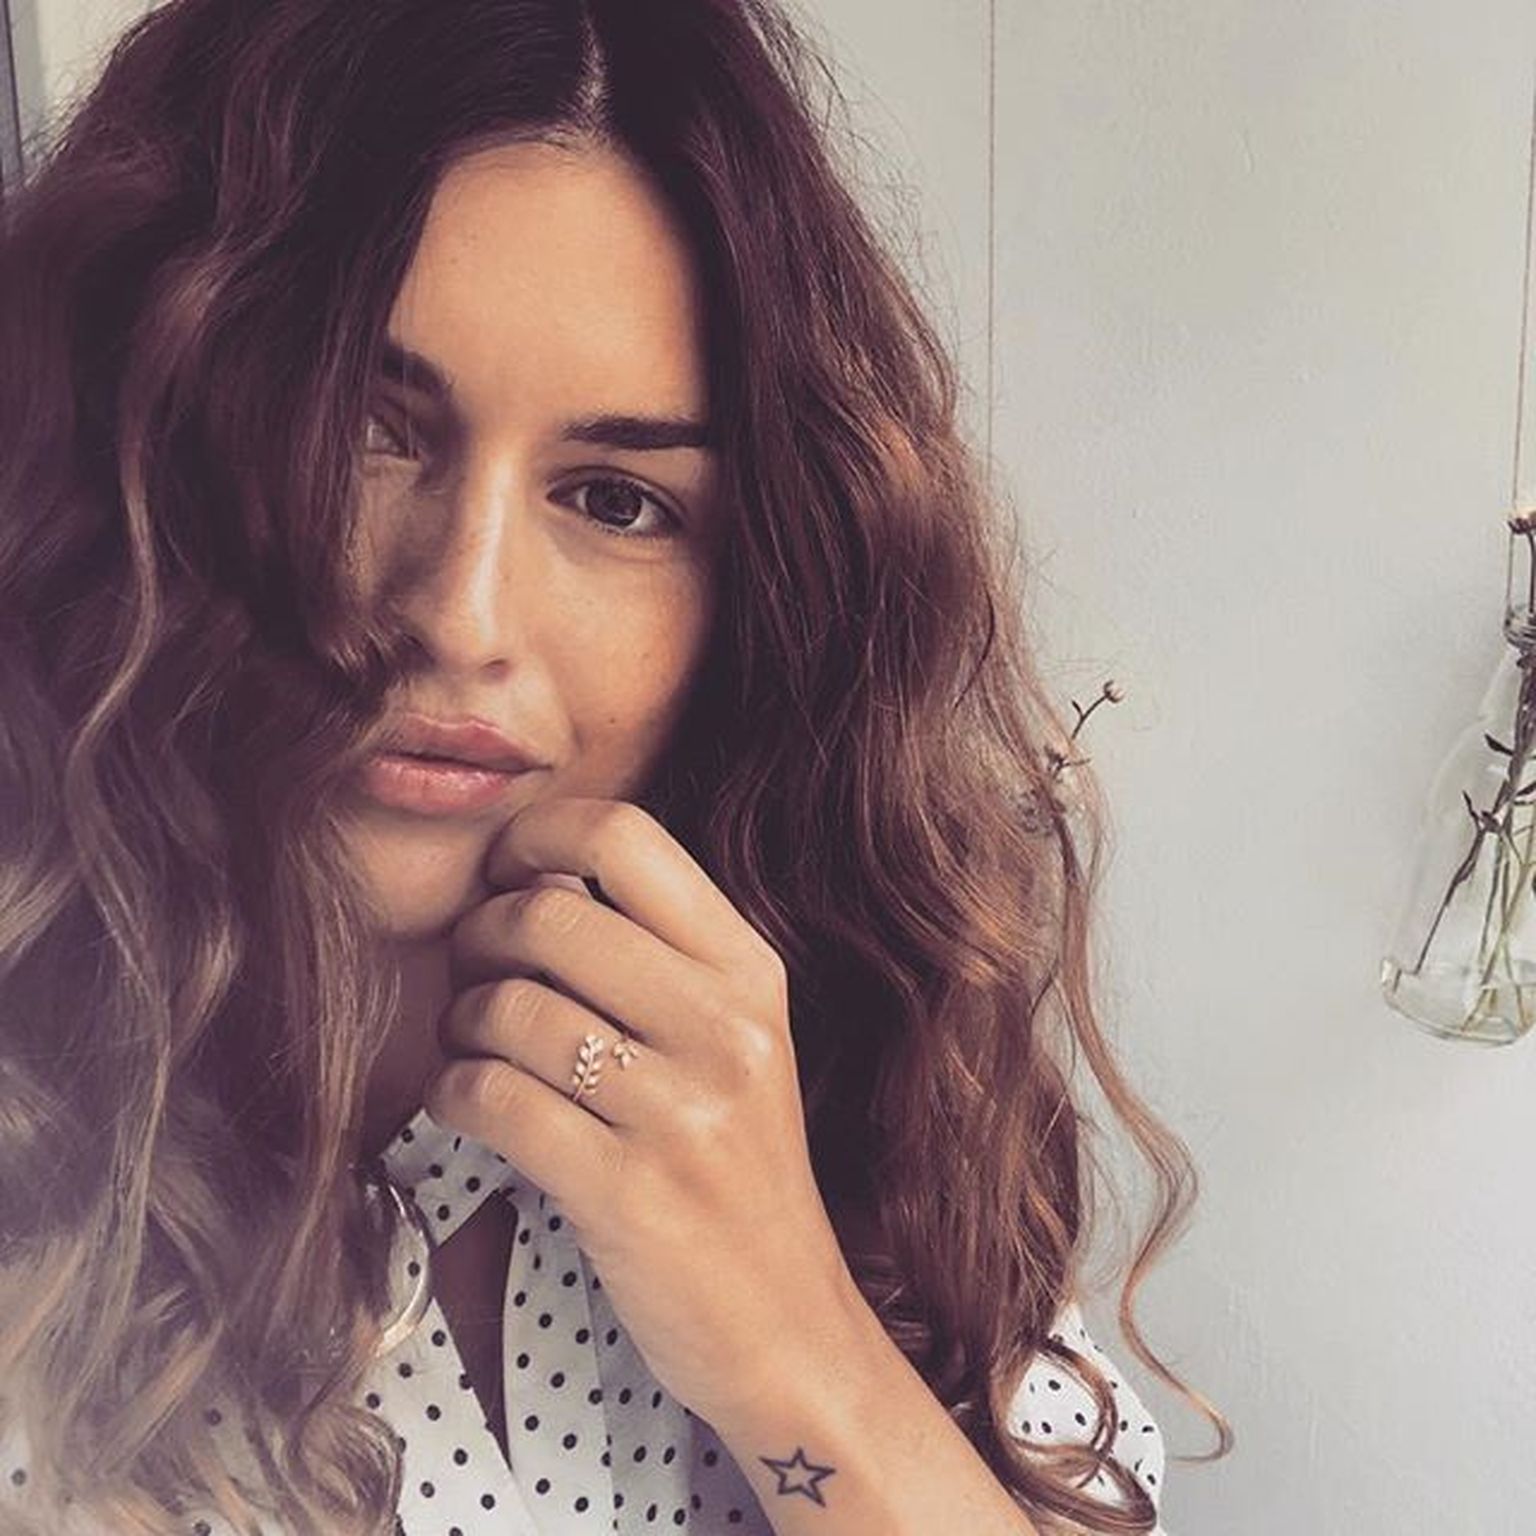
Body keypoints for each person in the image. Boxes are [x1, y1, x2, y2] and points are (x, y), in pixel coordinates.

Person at [0, 1, 1229, 1532]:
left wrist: (797, 1346)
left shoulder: (848, 1067)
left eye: (615, 499)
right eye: (363, 432)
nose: (462, 614)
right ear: (140, 440)